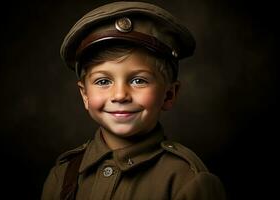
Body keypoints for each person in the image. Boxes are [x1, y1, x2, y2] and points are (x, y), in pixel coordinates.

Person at [41, 1, 226, 200]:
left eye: (139, 80)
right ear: (85, 95)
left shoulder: (186, 180)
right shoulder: (63, 174)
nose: (120, 95)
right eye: (103, 81)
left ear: (169, 95)